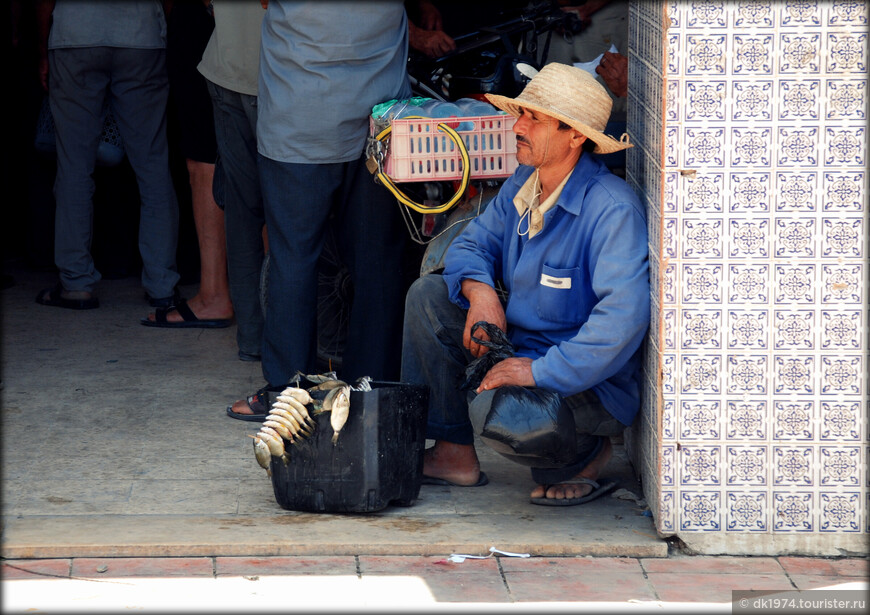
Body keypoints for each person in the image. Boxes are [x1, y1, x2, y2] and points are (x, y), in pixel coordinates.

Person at [400, 63, 649, 505]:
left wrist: (538, 372)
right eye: (521, 114)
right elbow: (470, 246)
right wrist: (481, 295)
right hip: (523, 348)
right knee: (429, 297)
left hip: (586, 382)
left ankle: (586, 452)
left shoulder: (612, 210)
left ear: (575, 135)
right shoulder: (526, 182)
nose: (518, 126)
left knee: (507, 415)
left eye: (534, 118)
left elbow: (622, 321)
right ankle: (454, 454)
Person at [227, 0, 410, 420]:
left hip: (301, 114)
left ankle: (287, 393)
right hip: (378, 121)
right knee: (378, 260)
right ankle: (372, 389)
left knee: (294, 258)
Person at [34, 0, 180, 311]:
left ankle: (75, 283)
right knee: (153, 165)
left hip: (76, 34)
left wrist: (42, 47)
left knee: (74, 167)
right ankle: (162, 283)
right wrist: (160, 28)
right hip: (141, 36)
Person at [141, 0, 234, 328]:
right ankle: (269, 298)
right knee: (260, 151)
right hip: (261, 25)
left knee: (204, 158)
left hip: (206, 17)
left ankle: (214, 295)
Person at [196, 0, 266, 359]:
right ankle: (287, 342)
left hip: (226, 65)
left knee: (243, 212)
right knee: (295, 215)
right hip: (280, 76)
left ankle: (254, 340)